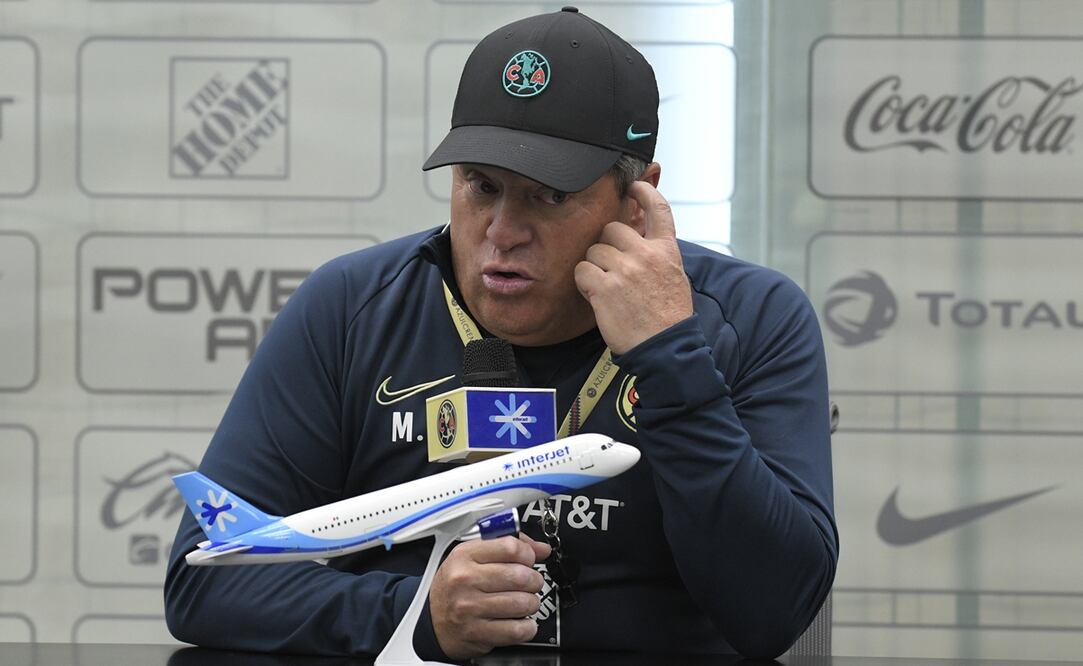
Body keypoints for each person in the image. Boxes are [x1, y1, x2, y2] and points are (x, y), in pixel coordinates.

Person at [164, 6, 837, 661]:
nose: (503, 231)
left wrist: (668, 356)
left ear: (637, 201)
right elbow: (205, 579)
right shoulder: (349, 307)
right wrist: (414, 615)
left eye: (548, 195)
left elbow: (773, 615)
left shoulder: (750, 318)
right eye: (480, 186)